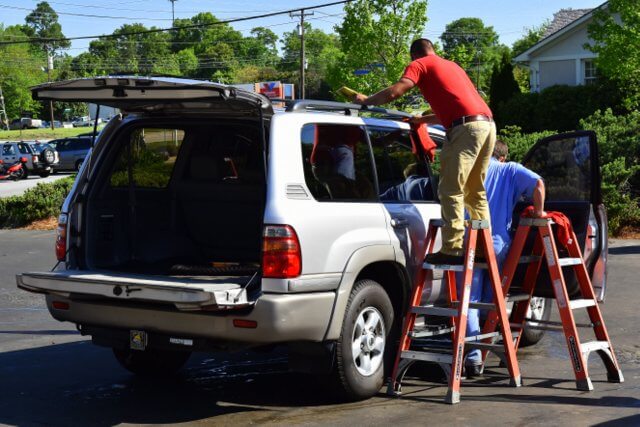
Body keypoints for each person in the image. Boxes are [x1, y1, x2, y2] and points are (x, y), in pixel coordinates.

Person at [353, 38, 496, 265]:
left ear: (413, 55)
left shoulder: (419, 65)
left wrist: (367, 100)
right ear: (433, 50)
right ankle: (482, 248)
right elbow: (452, 111)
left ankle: (452, 248)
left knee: (450, 189)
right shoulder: (452, 66)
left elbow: (395, 92)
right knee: (474, 190)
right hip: (486, 126)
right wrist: (422, 120)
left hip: (465, 130)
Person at [460, 140, 546, 377]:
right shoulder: (510, 169)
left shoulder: (471, 166)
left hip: (470, 238)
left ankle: (473, 356)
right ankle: (486, 344)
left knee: (470, 295)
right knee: (492, 295)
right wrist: (539, 213)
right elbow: (538, 183)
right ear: (503, 157)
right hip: (496, 242)